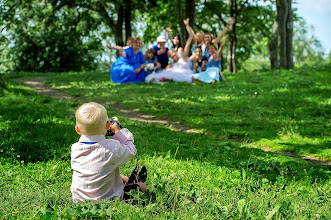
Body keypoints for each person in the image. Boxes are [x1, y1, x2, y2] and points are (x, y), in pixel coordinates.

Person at [70, 102, 147, 203]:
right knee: (142, 186)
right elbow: (131, 149)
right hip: (107, 199)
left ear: (78, 129)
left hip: (79, 199)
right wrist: (118, 132)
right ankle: (133, 184)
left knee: (114, 174)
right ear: (107, 125)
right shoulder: (112, 147)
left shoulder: (75, 148)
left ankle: (127, 181)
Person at [145, 18, 194, 83]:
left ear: (175, 53)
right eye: (170, 55)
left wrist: (187, 25)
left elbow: (190, 37)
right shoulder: (172, 64)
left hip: (185, 75)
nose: (172, 55)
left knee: (174, 75)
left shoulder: (183, 58)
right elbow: (164, 70)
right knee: (168, 73)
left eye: (173, 53)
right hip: (175, 75)